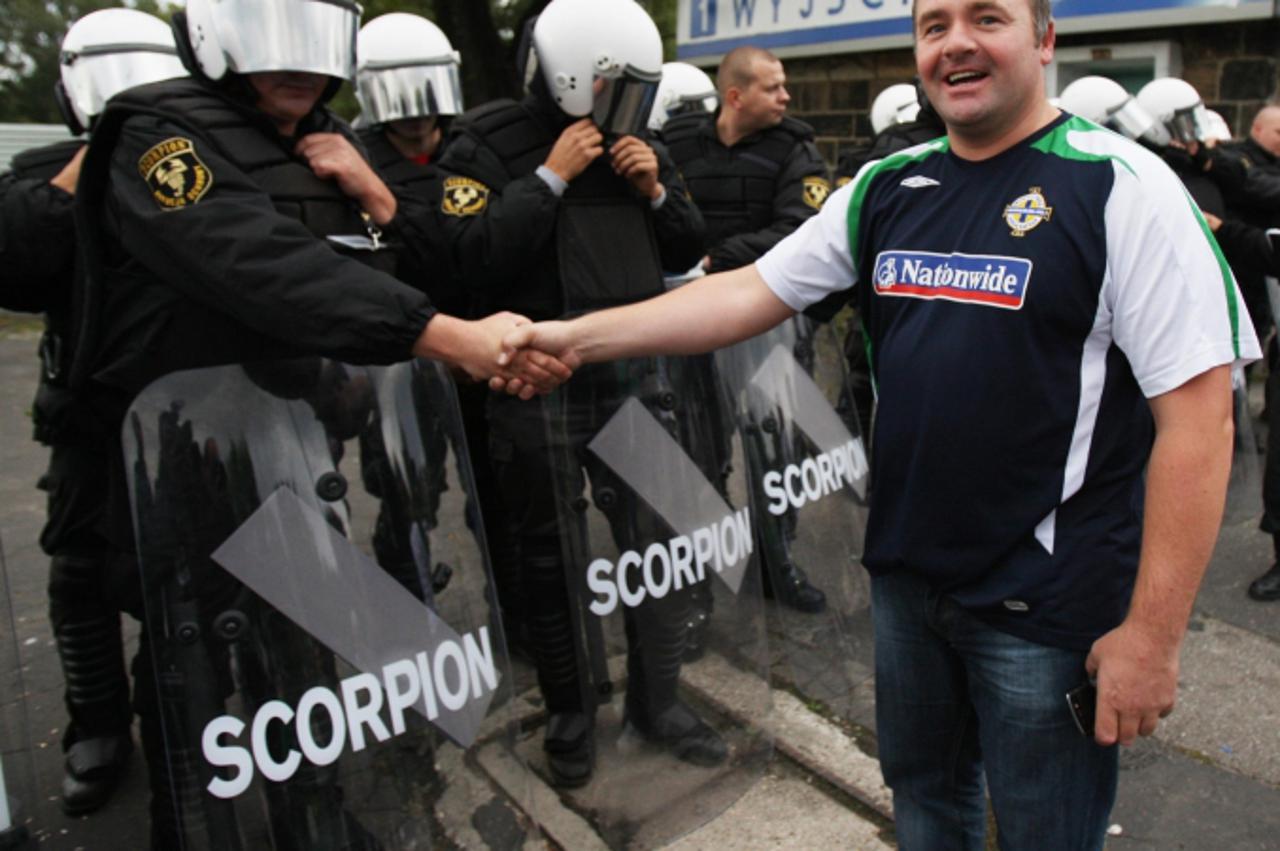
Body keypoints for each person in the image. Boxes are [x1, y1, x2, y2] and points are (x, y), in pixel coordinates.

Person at [500, 0, 1258, 846]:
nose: (957, 43)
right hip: (907, 584)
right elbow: (747, 293)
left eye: (987, 19)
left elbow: (1199, 423)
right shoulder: (889, 185)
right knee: (927, 805)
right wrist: (569, 338)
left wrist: (1151, 638)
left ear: (1044, 40)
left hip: (1047, 609)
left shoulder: (1125, 185)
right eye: (934, 26)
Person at [68, 0, 565, 842]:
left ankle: (317, 817)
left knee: (300, 650)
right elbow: (256, 261)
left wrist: (375, 204)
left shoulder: (323, 141)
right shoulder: (159, 132)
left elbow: (383, 270)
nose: (296, 63)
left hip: (286, 439)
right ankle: (188, 825)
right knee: (187, 657)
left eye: (313, 37)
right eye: (270, 35)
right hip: (176, 450)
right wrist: (447, 338)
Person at [438, 0, 717, 788]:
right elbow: (470, 259)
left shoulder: (641, 138)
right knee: (550, 558)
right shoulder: (485, 141)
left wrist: (659, 190)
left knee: (660, 545)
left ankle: (658, 703)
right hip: (537, 389)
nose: (611, 104)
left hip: (632, 377)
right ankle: (570, 709)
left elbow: (688, 247)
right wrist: (549, 177)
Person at [0, 7, 190, 816]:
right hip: (89, 415)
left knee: (178, 584)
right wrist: (96, 156)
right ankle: (96, 726)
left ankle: (183, 724)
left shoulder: (194, 167)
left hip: (185, 409)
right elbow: (16, 258)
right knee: (79, 572)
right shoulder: (46, 170)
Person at [658, 45, 831, 613]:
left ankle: (774, 564)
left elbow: (802, 229)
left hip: (768, 325)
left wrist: (717, 260)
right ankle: (696, 579)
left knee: (774, 450)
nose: (786, 97)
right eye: (773, 87)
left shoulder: (795, 147)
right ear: (736, 95)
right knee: (695, 452)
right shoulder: (679, 143)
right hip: (688, 323)